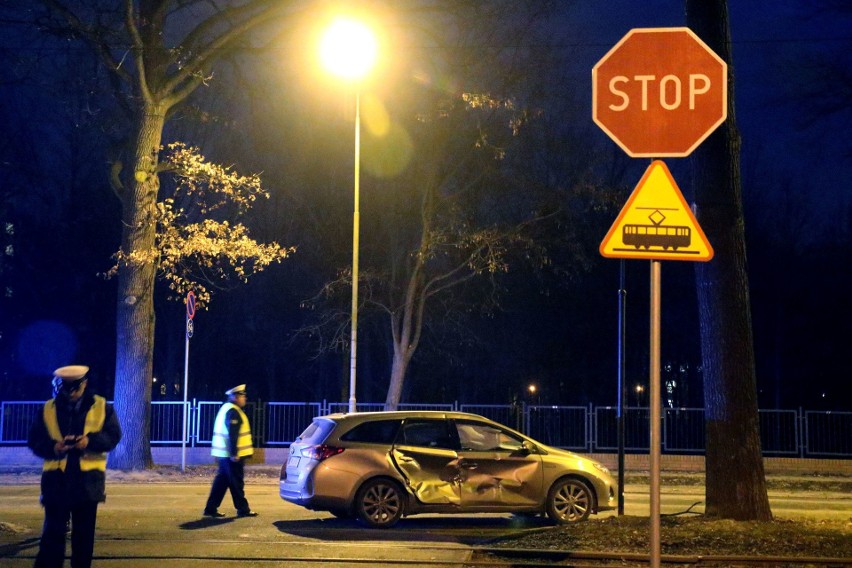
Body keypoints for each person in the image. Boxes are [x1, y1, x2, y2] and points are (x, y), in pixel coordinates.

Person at [27, 365, 122, 568]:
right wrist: (54, 447)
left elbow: (113, 436)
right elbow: (35, 440)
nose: (71, 394)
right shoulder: (47, 409)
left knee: (83, 541)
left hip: (87, 484)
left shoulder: (102, 406)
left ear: (84, 384)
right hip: (57, 482)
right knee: (52, 539)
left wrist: (89, 442)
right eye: (66, 389)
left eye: (75, 389)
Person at [203, 384, 257, 518]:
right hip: (231, 456)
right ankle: (243, 509)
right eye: (242, 396)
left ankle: (210, 508)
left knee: (222, 482)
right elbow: (232, 434)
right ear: (235, 397)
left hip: (224, 455)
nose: (245, 398)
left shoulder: (227, 409)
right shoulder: (233, 411)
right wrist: (234, 453)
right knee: (236, 482)